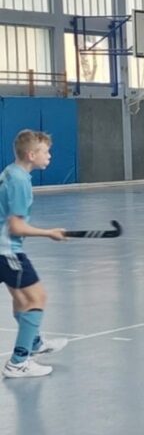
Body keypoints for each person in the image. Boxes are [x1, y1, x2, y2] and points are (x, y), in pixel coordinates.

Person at [2, 130, 68, 378]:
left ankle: (35, 343)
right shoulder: (20, 181)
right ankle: (18, 363)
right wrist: (49, 233)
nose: (49, 156)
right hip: (7, 250)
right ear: (31, 155)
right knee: (37, 298)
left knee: (22, 298)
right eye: (45, 152)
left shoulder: (11, 172)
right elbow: (16, 227)